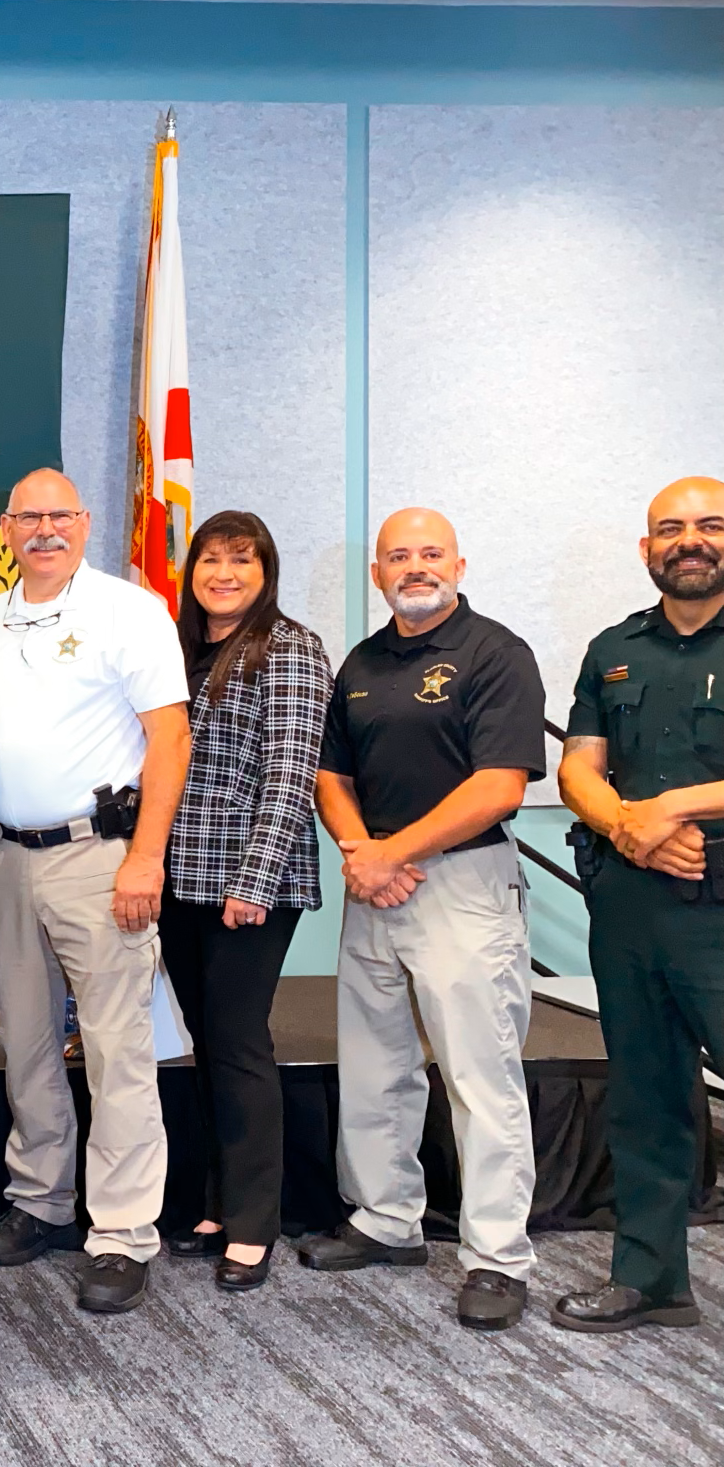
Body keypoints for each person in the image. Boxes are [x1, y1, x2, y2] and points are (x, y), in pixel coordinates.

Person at [0, 468, 191, 1314]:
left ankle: (122, 1233)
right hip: (7, 858)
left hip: (102, 855)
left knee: (118, 1048)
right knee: (24, 1041)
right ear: (6, 528)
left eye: (60, 515)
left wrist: (146, 859)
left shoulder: (130, 612)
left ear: (84, 523)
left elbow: (170, 740)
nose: (44, 529)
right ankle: (41, 1200)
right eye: (28, 517)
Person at [304, 507, 545, 1332]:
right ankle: (385, 1222)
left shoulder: (496, 653)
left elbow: (500, 785)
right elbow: (330, 773)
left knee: (480, 1077)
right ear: (377, 574)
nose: (414, 566)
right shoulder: (362, 663)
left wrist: (388, 853)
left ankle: (497, 1256)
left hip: (461, 883)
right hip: (375, 884)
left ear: (460, 563)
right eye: (397, 556)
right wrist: (359, 848)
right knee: (375, 1065)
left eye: (429, 553)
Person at [552, 476, 724, 1333]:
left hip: (719, 905)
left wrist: (679, 808)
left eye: (708, 525)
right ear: (647, 548)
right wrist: (630, 824)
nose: (689, 540)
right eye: (670, 528)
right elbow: (578, 764)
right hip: (630, 907)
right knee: (647, 1097)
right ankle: (652, 1281)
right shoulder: (612, 648)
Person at [158, 511, 333, 1293]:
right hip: (179, 877)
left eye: (241, 560)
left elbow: (291, 772)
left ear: (267, 571)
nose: (223, 574)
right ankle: (221, 1201)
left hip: (247, 884)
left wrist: (254, 883)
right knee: (207, 1040)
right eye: (210, 560)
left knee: (238, 1042)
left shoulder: (289, 647)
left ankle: (257, 1221)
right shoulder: (182, 649)